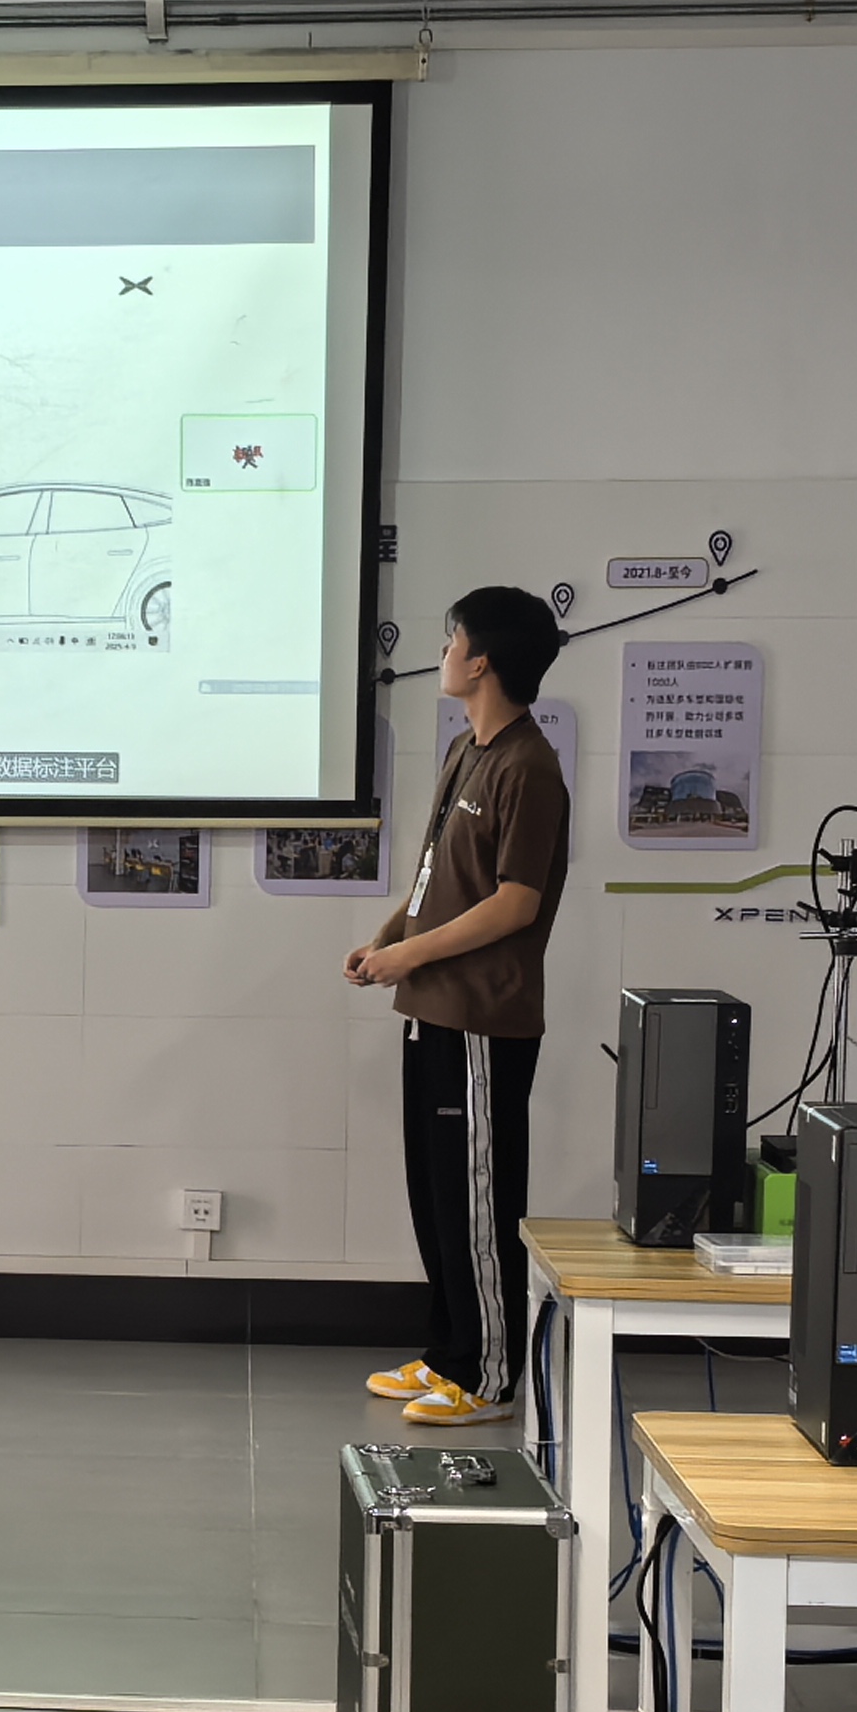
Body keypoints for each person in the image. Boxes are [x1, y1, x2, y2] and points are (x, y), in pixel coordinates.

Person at [351, 585, 570, 1426]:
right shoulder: (464, 750)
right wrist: (389, 936)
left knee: (479, 1198)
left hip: (483, 1018)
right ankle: (448, 1352)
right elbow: (435, 873)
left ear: (481, 661)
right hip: (430, 1006)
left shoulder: (528, 766)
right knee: (436, 1192)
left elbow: (516, 902)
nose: (442, 654)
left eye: (452, 642)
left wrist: (407, 955)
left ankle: (487, 1376)